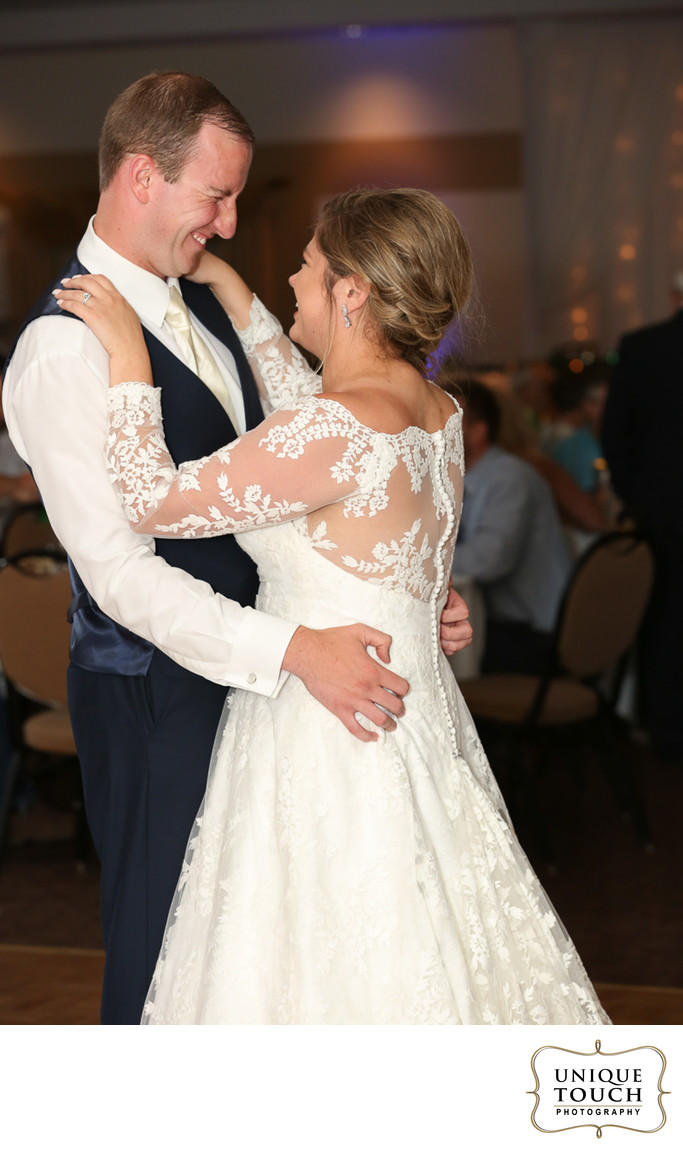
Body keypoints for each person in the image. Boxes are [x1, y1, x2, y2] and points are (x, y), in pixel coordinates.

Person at [55, 187, 608, 1024]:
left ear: (351, 292)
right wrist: (231, 289)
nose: (290, 279)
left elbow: (150, 500)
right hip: (407, 712)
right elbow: (307, 411)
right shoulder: (436, 411)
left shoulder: (333, 429)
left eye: (306, 266)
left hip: (325, 728)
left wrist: (130, 358)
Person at [1, 72, 471, 1025]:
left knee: (271, 964)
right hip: (159, 690)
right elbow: (120, 571)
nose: (227, 224)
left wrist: (395, 590)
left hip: (288, 687)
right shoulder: (64, 348)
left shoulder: (217, 309)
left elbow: (329, 466)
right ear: (142, 176)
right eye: (215, 196)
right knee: (166, 958)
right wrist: (294, 647)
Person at [602, 274, 683, 762]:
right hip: (661, 507)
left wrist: (640, 499)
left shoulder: (642, 348)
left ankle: (666, 730)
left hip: (663, 512)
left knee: (665, 620)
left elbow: (615, 436)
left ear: (675, 296)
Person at [451, 380, 572, 675]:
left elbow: (488, 561)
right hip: (504, 626)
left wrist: (412, 563)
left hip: (534, 636)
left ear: (477, 432)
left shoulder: (509, 478)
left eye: (446, 421)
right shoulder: (466, 479)